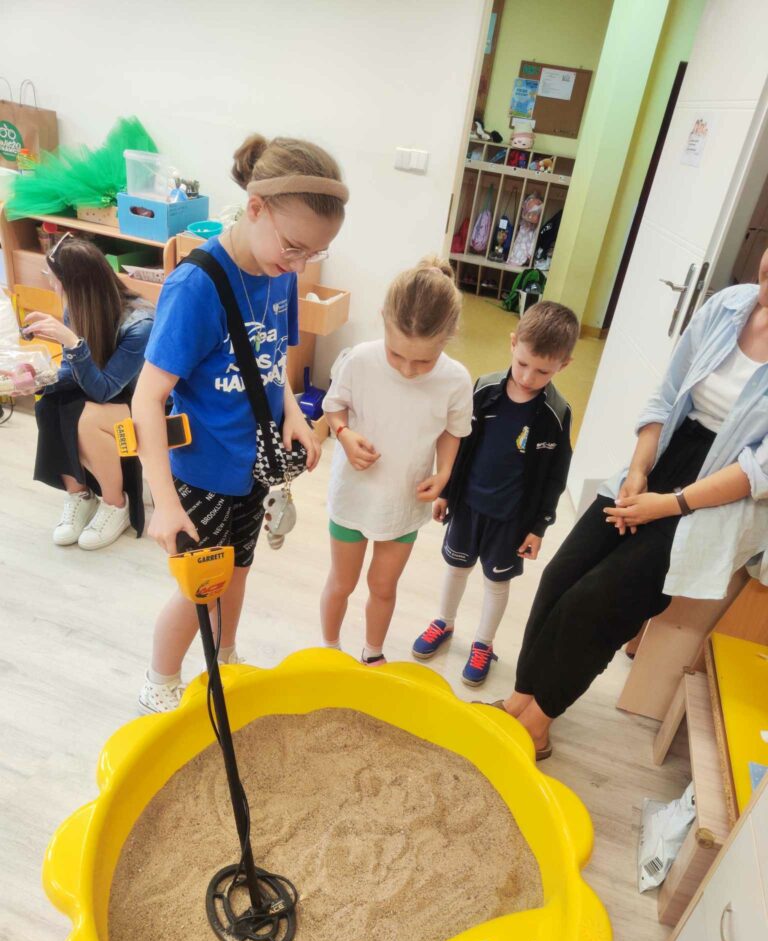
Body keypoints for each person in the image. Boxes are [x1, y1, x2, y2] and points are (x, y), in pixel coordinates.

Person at [484, 249, 768, 760]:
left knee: (596, 603)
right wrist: (638, 472)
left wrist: (668, 505)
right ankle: (520, 697)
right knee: (558, 579)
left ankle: (539, 723)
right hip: (662, 456)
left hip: (711, 496)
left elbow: (756, 472)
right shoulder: (729, 306)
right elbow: (664, 398)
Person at [132, 133, 347, 713]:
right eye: (295, 247)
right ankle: (161, 679)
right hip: (199, 471)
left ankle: (225, 657)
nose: (300, 264)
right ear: (255, 208)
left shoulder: (281, 270)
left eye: (314, 254)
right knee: (199, 589)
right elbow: (146, 400)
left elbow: (270, 360)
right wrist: (164, 503)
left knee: (239, 569)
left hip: (250, 467)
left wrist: (294, 415)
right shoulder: (197, 286)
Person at [412, 301, 579, 685]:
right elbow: (461, 444)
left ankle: (483, 643)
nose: (527, 376)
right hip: (468, 505)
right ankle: (444, 622)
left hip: (512, 519)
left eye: (542, 371)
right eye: (522, 363)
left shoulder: (557, 413)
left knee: (495, 582)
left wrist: (539, 526)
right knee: (456, 567)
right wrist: (446, 491)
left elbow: (556, 476)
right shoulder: (484, 390)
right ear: (513, 343)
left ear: (562, 366)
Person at [320, 256, 473, 665]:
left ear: (448, 337)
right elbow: (333, 409)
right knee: (342, 582)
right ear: (383, 320)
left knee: (383, 587)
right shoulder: (359, 360)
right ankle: (330, 650)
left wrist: (444, 476)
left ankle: (372, 653)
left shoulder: (456, 380)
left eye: (423, 361)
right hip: (353, 496)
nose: (408, 369)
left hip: (405, 502)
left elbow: (452, 431)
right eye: (397, 354)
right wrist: (345, 434)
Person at [26, 234, 154, 549]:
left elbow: (105, 390)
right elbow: (73, 374)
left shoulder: (140, 323)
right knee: (50, 402)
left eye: (54, 280)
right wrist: (37, 378)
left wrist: (71, 342)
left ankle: (116, 504)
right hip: (106, 397)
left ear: (75, 283)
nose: (53, 286)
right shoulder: (79, 306)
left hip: (143, 405)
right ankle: (79, 494)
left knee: (86, 418)